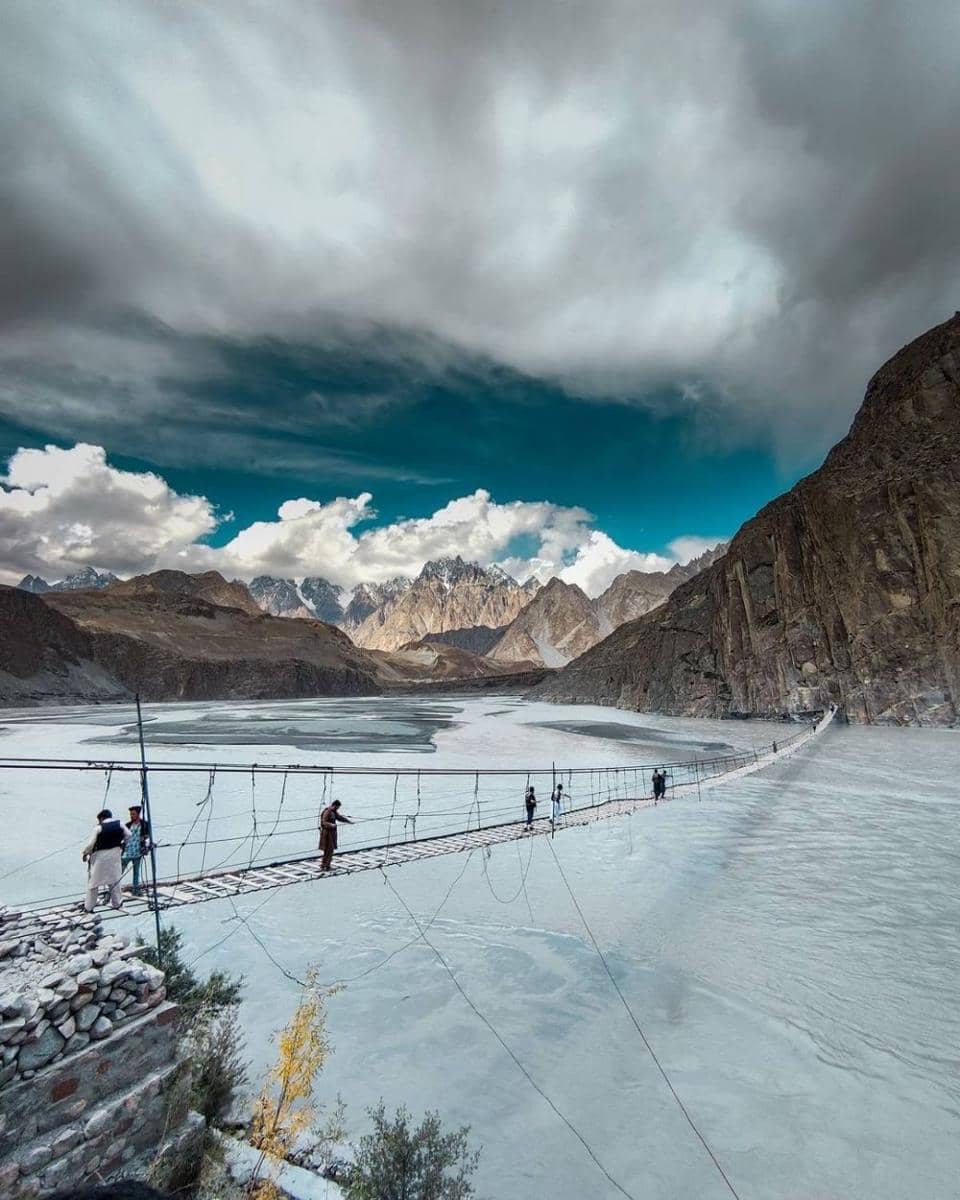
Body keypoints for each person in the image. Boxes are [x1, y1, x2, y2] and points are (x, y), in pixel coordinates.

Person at [82, 809, 129, 912]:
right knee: (114, 880)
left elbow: (90, 845)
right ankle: (117, 903)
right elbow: (128, 835)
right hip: (115, 855)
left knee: (94, 883)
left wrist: (85, 853)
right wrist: (123, 844)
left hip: (100, 858)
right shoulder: (120, 824)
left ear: (102, 818)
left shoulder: (98, 828)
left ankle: (89, 907)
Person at [122, 804, 151, 896]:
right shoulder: (127, 825)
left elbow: (149, 837)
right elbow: (122, 838)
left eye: (133, 814)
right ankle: (113, 890)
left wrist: (145, 843)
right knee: (119, 871)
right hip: (127, 852)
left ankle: (136, 889)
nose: (131, 816)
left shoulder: (145, 825)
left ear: (138, 814)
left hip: (137, 852)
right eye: (130, 814)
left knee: (136, 872)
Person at [319, 798, 353, 870]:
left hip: (331, 834)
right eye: (337, 807)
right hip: (327, 834)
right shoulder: (327, 812)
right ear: (334, 805)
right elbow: (323, 822)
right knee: (329, 849)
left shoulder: (333, 812)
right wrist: (331, 825)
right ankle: (326, 865)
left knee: (329, 850)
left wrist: (348, 821)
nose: (337, 809)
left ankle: (325, 864)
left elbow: (340, 818)